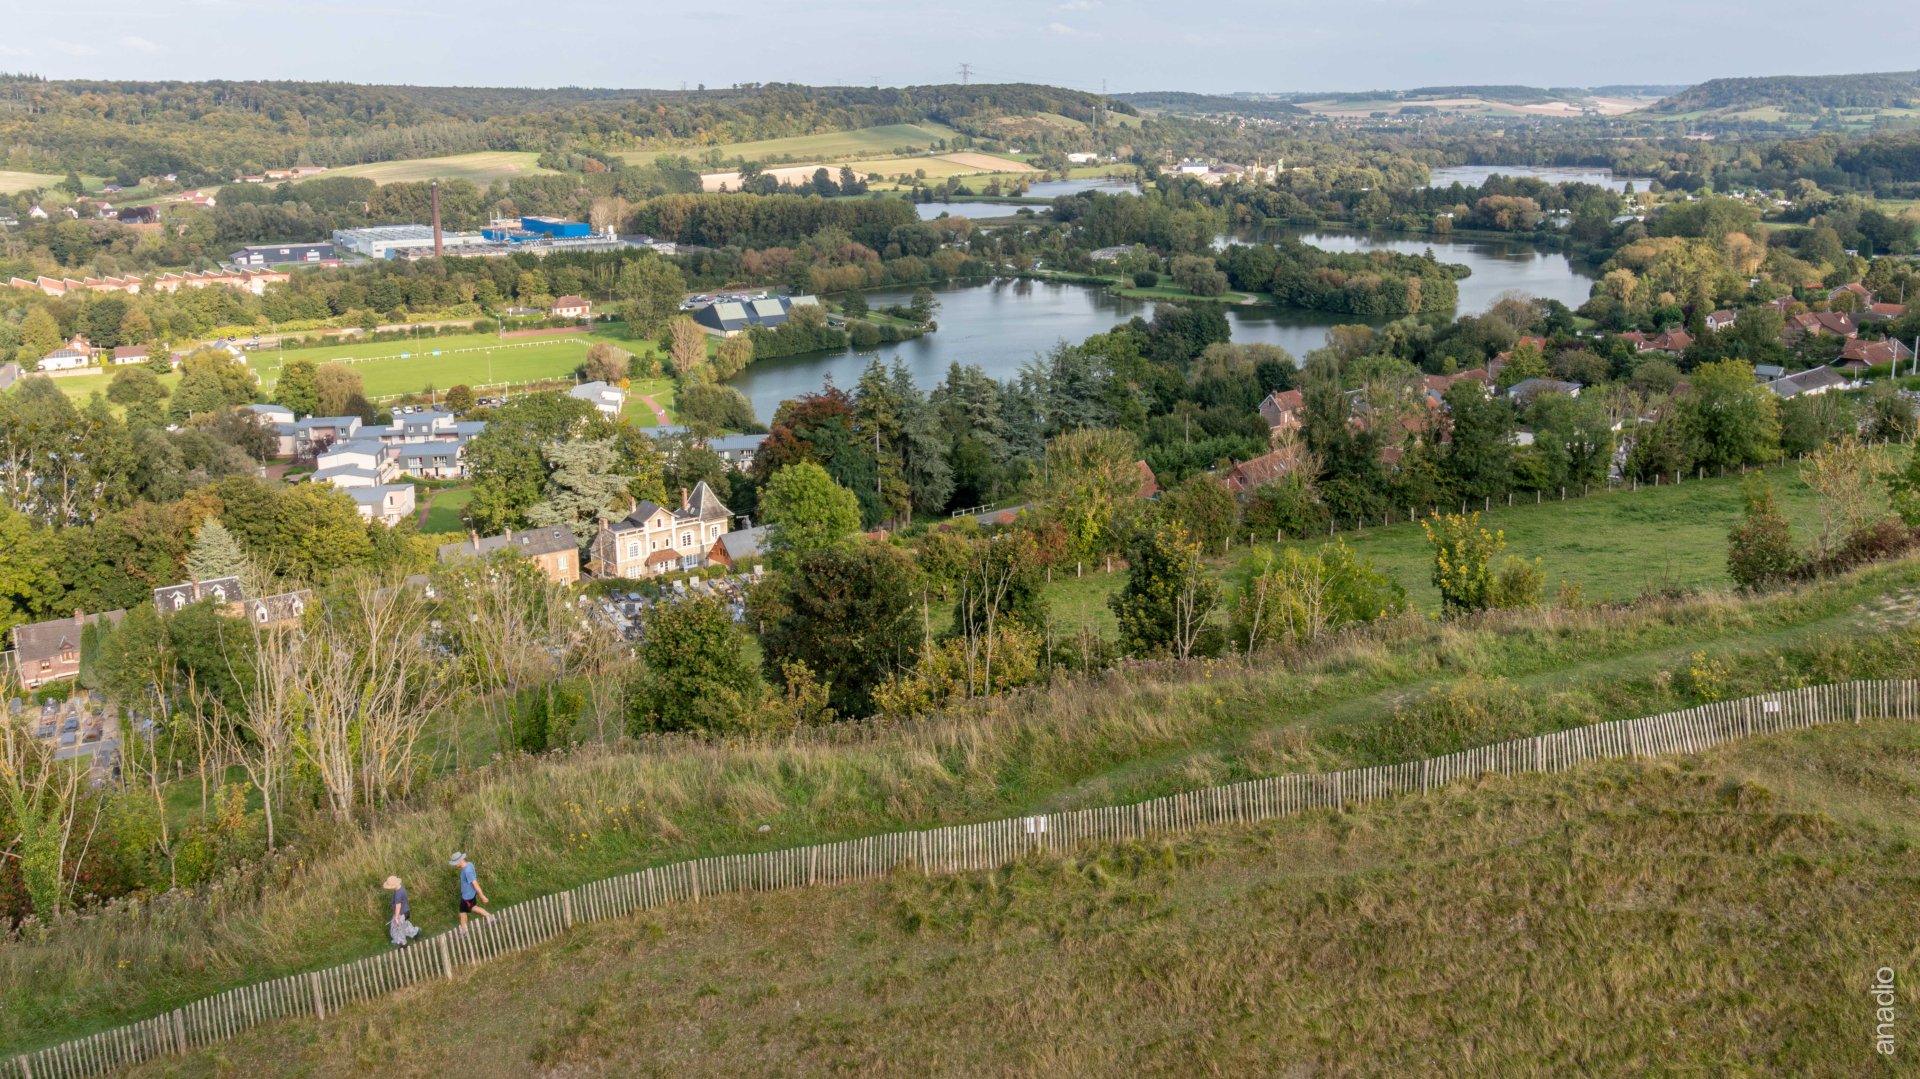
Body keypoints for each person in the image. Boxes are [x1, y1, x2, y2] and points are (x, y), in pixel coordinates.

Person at [448, 851, 493, 929]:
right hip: (469, 894)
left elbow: (475, 884)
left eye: (455, 863)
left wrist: (482, 896)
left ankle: (463, 931)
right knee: (473, 908)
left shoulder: (467, 871)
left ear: (459, 861)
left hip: (467, 897)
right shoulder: (469, 864)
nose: (455, 865)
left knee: (462, 913)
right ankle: (490, 918)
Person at [385, 875, 420, 947]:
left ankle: (403, 943)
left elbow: (398, 906)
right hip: (405, 911)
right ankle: (415, 933)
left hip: (400, 914)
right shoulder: (401, 889)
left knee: (397, 928)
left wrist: (396, 917)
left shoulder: (398, 894)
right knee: (405, 925)